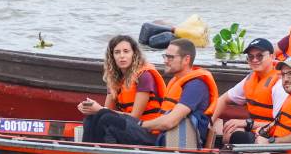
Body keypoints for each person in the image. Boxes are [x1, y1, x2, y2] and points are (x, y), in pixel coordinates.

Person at [81, 38, 218, 148]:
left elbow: (169, 122)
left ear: (186, 59)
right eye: (165, 56)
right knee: (94, 118)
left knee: (108, 121)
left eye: (170, 57)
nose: (165, 61)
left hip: (168, 140)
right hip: (159, 133)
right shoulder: (176, 81)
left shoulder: (195, 85)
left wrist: (140, 125)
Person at [208, 38, 287, 145]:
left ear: (272, 56)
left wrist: (246, 123)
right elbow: (224, 99)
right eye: (251, 56)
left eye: (260, 56)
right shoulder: (250, 78)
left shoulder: (279, 83)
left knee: (238, 136)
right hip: (256, 129)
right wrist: (209, 123)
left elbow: (280, 123)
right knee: (229, 131)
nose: (254, 60)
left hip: (274, 134)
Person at [77, 35, 165, 123]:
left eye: (126, 51)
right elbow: (107, 110)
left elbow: (135, 117)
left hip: (146, 128)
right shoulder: (113, 78)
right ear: (112, 56)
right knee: (91, 119)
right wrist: (90, 108)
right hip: (126, 126)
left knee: (102, 117)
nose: (122, 56)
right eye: (117, 52)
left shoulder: (144, 76)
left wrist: (99, 109)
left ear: (134, 54)